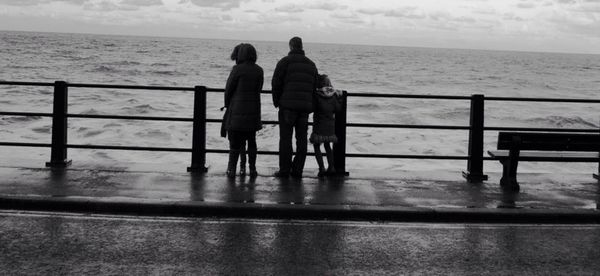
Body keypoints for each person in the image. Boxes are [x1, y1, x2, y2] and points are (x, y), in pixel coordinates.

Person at [271, 36, 319, 178]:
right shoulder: (311, 65)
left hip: (287, 107)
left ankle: (285, 170)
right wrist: (311, 105)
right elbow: (314, 87)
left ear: (291, 46)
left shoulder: (284, 62)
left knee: (285, 139)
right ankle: (297, 170)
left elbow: (276, 83)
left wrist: (277, 101)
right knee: (301, 139)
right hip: (304, 108)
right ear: (301, 46)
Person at [224, 43, 263, 178]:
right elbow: (259, 88)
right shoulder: (259, 70)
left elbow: (228, 90)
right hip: (253, 111)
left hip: (237, 111)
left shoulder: (237, 70)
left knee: (235, 143)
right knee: (251, 142)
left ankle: (231, 169)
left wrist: (227, 104)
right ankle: (252, 169)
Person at [311, 74, 343, 177]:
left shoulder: (316, 94)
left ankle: (321, 168)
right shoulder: (333, 95)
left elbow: (313, 107)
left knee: (316, 145)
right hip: (330, 124)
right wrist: (340, 99)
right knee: (328, 145)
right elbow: (337, 109)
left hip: (319, 123)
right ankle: (332, 167)